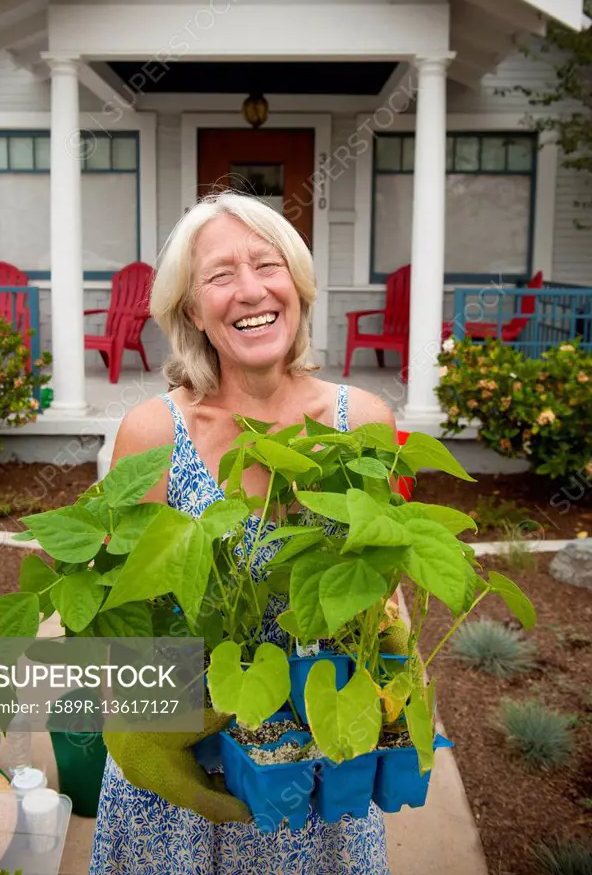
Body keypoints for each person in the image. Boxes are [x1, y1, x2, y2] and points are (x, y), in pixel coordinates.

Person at [89, 191, 396, 875]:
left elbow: (377, 593)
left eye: (268, 264)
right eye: (220, 275)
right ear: (193, 309)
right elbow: (123, 613)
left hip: (319, 770)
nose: (251, 289)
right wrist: (139, 723)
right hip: (190, 769)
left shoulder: (361, 421)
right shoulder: (153, 432)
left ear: (298, 285)